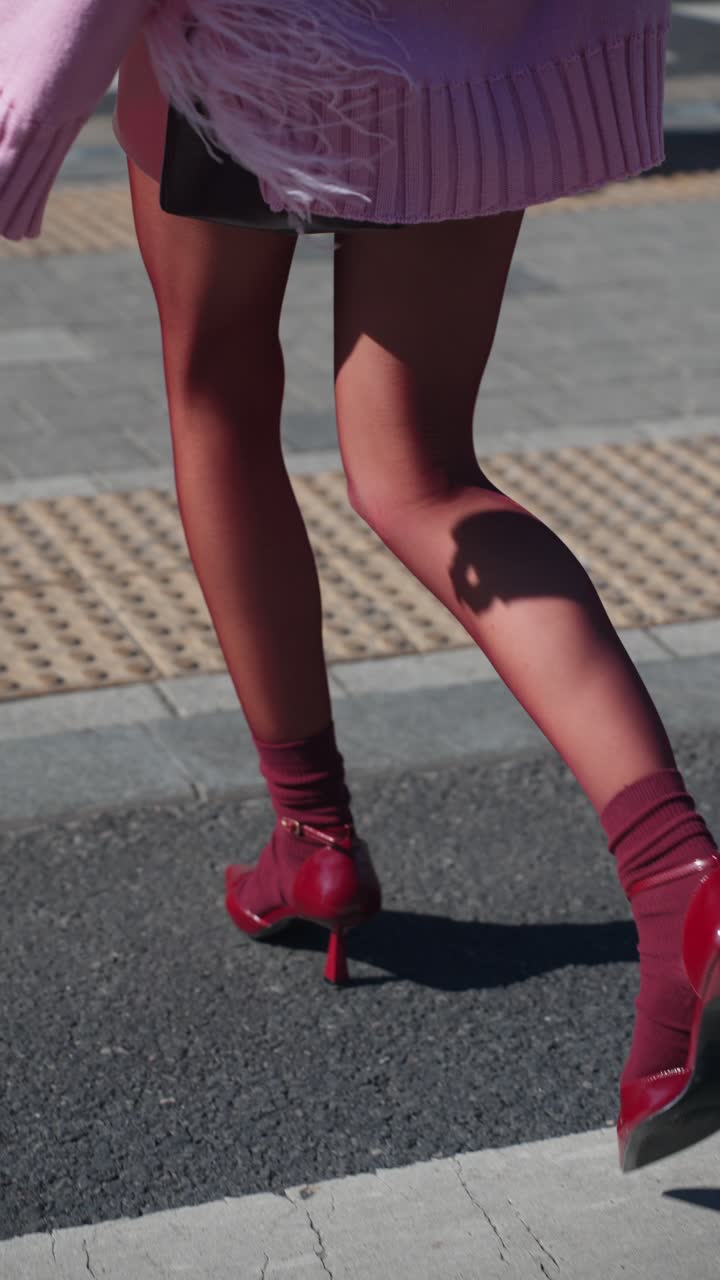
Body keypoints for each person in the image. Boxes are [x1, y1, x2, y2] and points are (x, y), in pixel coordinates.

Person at [1, 0, 717, 1173]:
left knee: (217, 385)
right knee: (422, 469)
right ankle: (682, 881)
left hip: (258, 32)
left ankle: (313, 831)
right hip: (477, 33)